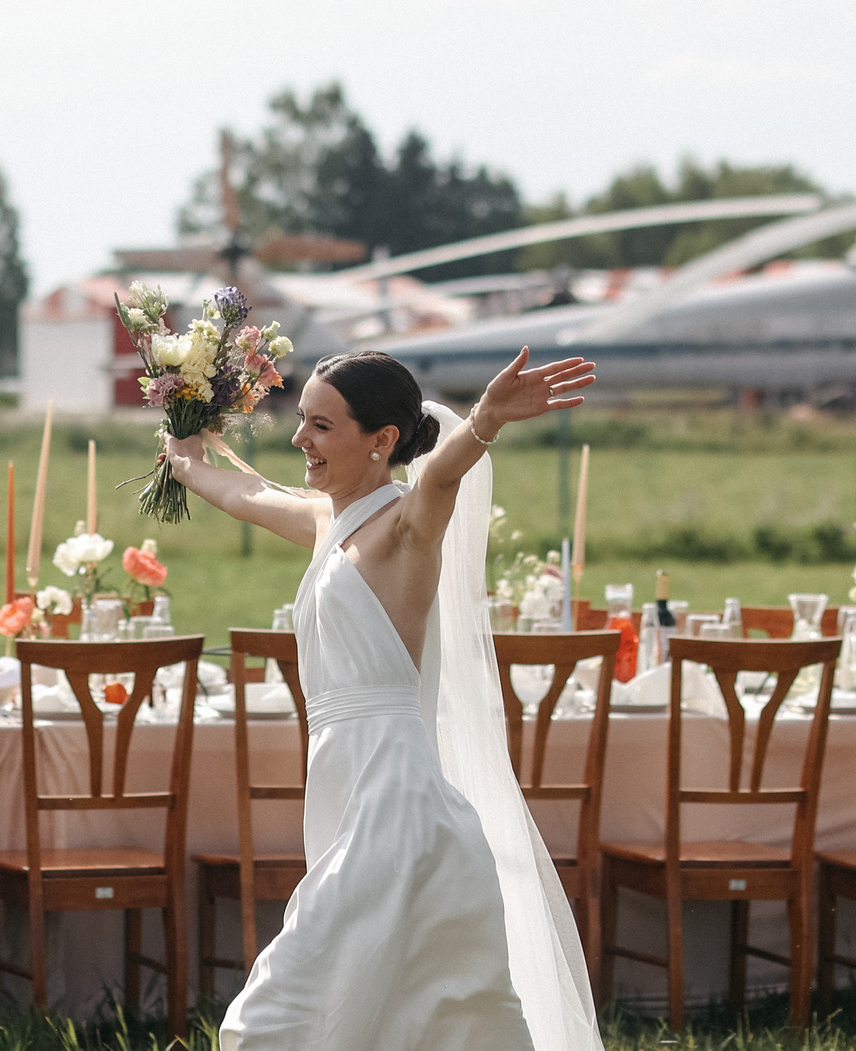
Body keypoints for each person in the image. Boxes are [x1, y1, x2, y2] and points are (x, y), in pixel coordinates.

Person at [165, 345, 602, 1051]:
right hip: (343, 789)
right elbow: (244, 494)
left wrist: (484, 421)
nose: (300, 439)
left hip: (394, 801)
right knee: (398, 1015)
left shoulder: (406, 526)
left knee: (271, 1020)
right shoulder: (326, 521)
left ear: (382, 439)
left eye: (321, 426)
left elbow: (445, 474)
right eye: (302, 420)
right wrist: (185, 460)